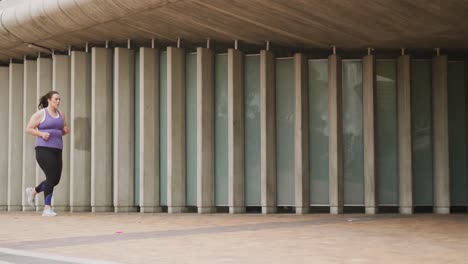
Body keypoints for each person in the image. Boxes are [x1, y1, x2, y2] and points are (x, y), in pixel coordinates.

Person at [25, 91, 69, 216]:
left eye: (59, 99)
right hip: (43, 149)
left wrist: (65, 131)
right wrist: (41, 134)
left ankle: (33, 191)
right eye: (55, 99)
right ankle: (47, 208)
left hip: (57, 149)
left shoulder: (61, 114)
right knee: (51, 177)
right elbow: (28, 128)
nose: (58, 101)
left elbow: (61, 131)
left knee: (56, 180)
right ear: (49, 100)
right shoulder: (41, 114)